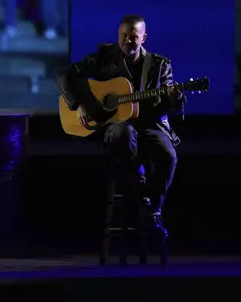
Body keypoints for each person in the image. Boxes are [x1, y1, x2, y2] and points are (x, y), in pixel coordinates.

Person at [57, 15, 186, 237]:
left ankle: (152, 210)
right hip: (117, 127)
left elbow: (171, 107)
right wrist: (79, 104)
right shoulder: (105, 58)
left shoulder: (159, 66)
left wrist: (176, 97)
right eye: (123, 36)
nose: (127, 40)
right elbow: (64, 74)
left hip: (150, 125)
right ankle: (140, 184)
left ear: (144, 38)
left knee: (169, 156)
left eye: (133, 37)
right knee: (122, 131)